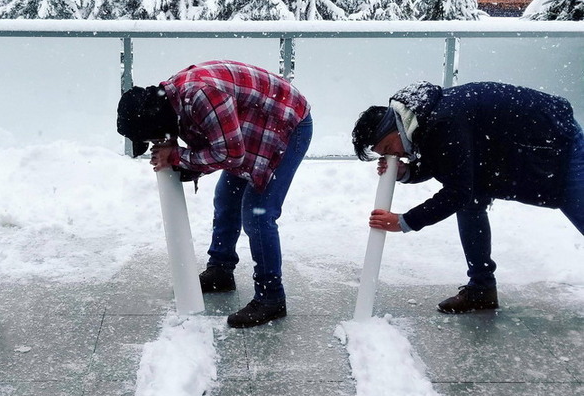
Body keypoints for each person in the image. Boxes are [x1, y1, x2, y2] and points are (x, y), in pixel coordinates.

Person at [352, 80, 584, 313]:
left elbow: (456, 191)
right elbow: (445, 161)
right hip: (523, 144)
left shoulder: (442, 120)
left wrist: (405, 221)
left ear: (392, 127)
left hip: (557, 144)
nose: (396, 155)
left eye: (390, 148)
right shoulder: (421, 117)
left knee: (573, 204)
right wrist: (407, 172)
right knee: (471, 204)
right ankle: (481, 290)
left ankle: (481, 289)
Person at [116, 60, 312, 328]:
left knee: (258, 213)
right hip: (248, 127)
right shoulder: (171, 102)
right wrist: (181, 160)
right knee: (226, 197)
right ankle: (221, 271)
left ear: (156, 123)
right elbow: (215, 141)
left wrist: (178, 156)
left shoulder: (200, 96)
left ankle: (271, 298)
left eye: (153, 138)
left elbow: (230, 154)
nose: (156, 144)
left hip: (287, 122)